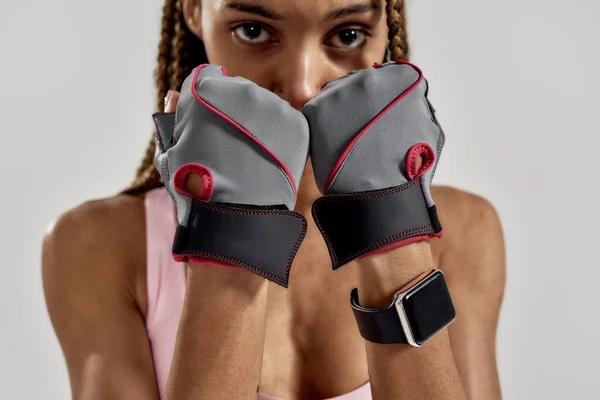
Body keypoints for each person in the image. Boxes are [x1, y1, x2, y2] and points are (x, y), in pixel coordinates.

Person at [41, 0, 506, 399]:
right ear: (194, 10)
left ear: (387, 29)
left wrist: (394, 231)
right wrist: (228, 236)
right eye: (253, 30)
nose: (302, 86)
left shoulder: (466, 229)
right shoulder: (94, 246)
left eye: (347, 34)